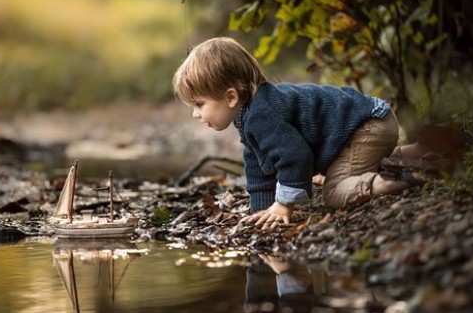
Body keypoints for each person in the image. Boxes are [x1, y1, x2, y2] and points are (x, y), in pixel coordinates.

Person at [172, 37, 440, 229]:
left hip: (366, 127)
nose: (196, 114)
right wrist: (264, 210)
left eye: (199, 105)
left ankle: (400, 180)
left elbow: (296, 157)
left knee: (334, 193)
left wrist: (284, 205)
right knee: (354, 165)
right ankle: (425, 151)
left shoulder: (262, 114)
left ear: (230, 97)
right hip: (369, 123)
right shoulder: (250, 114)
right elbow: (258, 167)